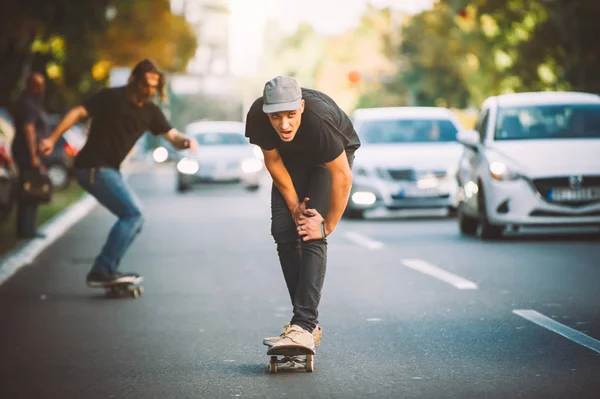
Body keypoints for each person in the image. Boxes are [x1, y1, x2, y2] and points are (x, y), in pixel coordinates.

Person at [38, 59, 198, 286]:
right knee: (133, 214)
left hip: (108, 170)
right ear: (133, 80)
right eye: (146, 85)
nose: (149, 90)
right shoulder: (110, 97)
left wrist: (185, 141)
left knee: (134, 218)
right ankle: (102, 270)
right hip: (93, 167)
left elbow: (171, 135)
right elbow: (77, 112)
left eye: (154, 86)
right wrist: (52, 138)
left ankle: (107, 269)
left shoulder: (150, 112)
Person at [245, 76, 361, 351]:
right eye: (276, 117)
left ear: (302, 107)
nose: (284, 125)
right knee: (284, 231)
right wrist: (293, 204)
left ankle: (303, 325)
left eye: (291, 115)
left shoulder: (319, 120)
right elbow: (272, 160)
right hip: (290, 160)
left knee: (310, 229)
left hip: (328, 159)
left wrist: (327, 225)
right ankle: (306, 325)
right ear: (266, 112)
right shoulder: (257, 116)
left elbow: (342, 176)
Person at [11, 72, 50, 239]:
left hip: (32, 152)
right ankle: (25, 229)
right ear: (31, 85)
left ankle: (28, 228)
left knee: (32, 189)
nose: (41, 88)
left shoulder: (34, 102)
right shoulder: (26, 103)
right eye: (38, 84)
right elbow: (29, 130)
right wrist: (33, 155)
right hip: (26, 153)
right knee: (29, 189)